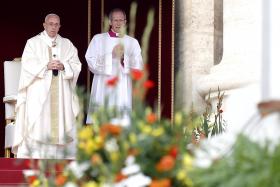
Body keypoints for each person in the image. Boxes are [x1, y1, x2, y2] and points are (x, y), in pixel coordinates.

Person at [12, 13, 82, 159]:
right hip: (39, 90)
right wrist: (45, 65)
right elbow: (27, 64)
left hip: (61, 91)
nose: (53, 27)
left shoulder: (67, 44)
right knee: (38, 121)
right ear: (44, 25)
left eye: (56, 24)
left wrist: (64, 66)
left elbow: (77, 65)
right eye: (50, 24)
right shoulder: (33, 43)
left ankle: (62, 156)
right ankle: (37, 155)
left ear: (60, 26)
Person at [85, 8, 143, 124]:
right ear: (110, 22)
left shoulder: (132, 42)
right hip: (103, 85)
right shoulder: (98, 39)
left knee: (122, 119)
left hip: (123, 86)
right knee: (101, 118)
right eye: (115, 20)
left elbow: (139, 66)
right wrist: (110, 56)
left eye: (121, 20)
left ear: (125, 22)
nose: (118, 23)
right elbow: (90, 61)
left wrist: (123, 59)